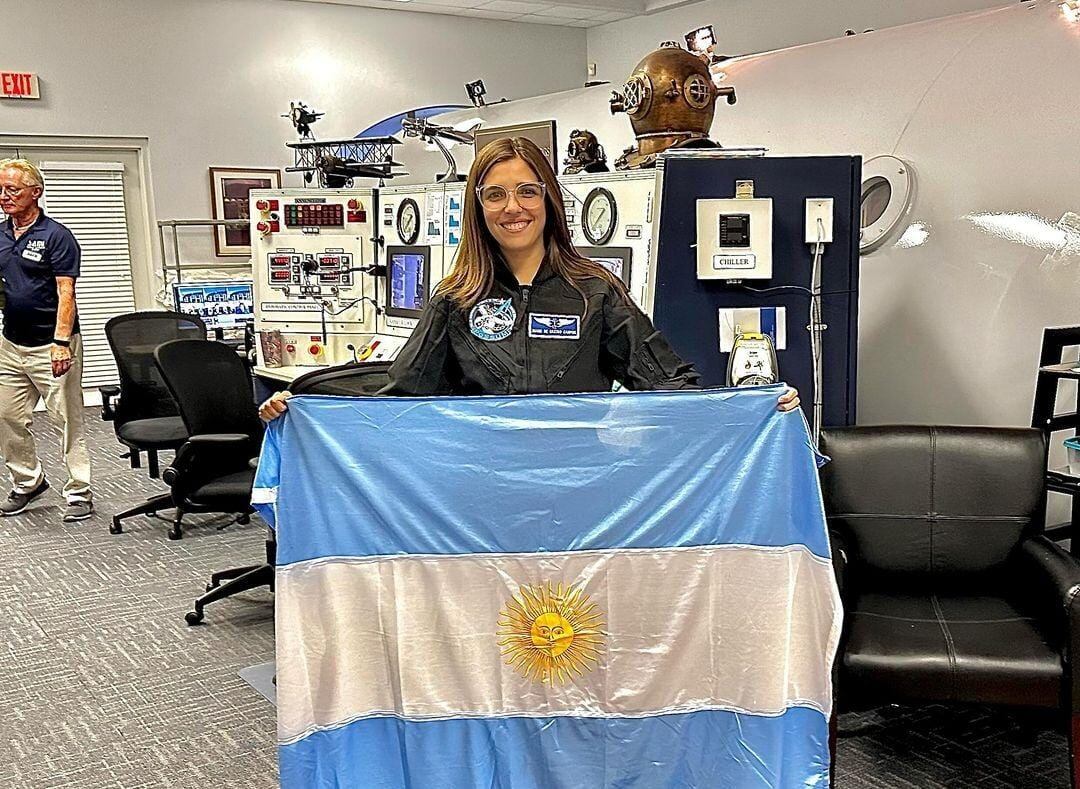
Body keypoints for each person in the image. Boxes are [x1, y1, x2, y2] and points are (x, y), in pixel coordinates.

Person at [259, 137, 799, 417]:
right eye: (495, 193)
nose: (512, 207)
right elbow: (401, 395)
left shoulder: (595, 292)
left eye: (526, 190)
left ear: (548, 200)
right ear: (478, 207)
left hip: (579, 486)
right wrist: (306, 412)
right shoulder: (454, 299)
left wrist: (750, 407)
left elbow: (667, 382)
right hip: (482, 493)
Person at [0, 159, 93, 521]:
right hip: (11, 344)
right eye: (1, 190)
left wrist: (61, 342)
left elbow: (65, 293)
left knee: (66, 420)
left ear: (35, 193)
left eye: (13, 190)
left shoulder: (57, 236)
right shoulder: (2, 235)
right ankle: (28, 481)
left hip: (52, 343)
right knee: (7, 416)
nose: (5, 196)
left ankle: (79, 492)